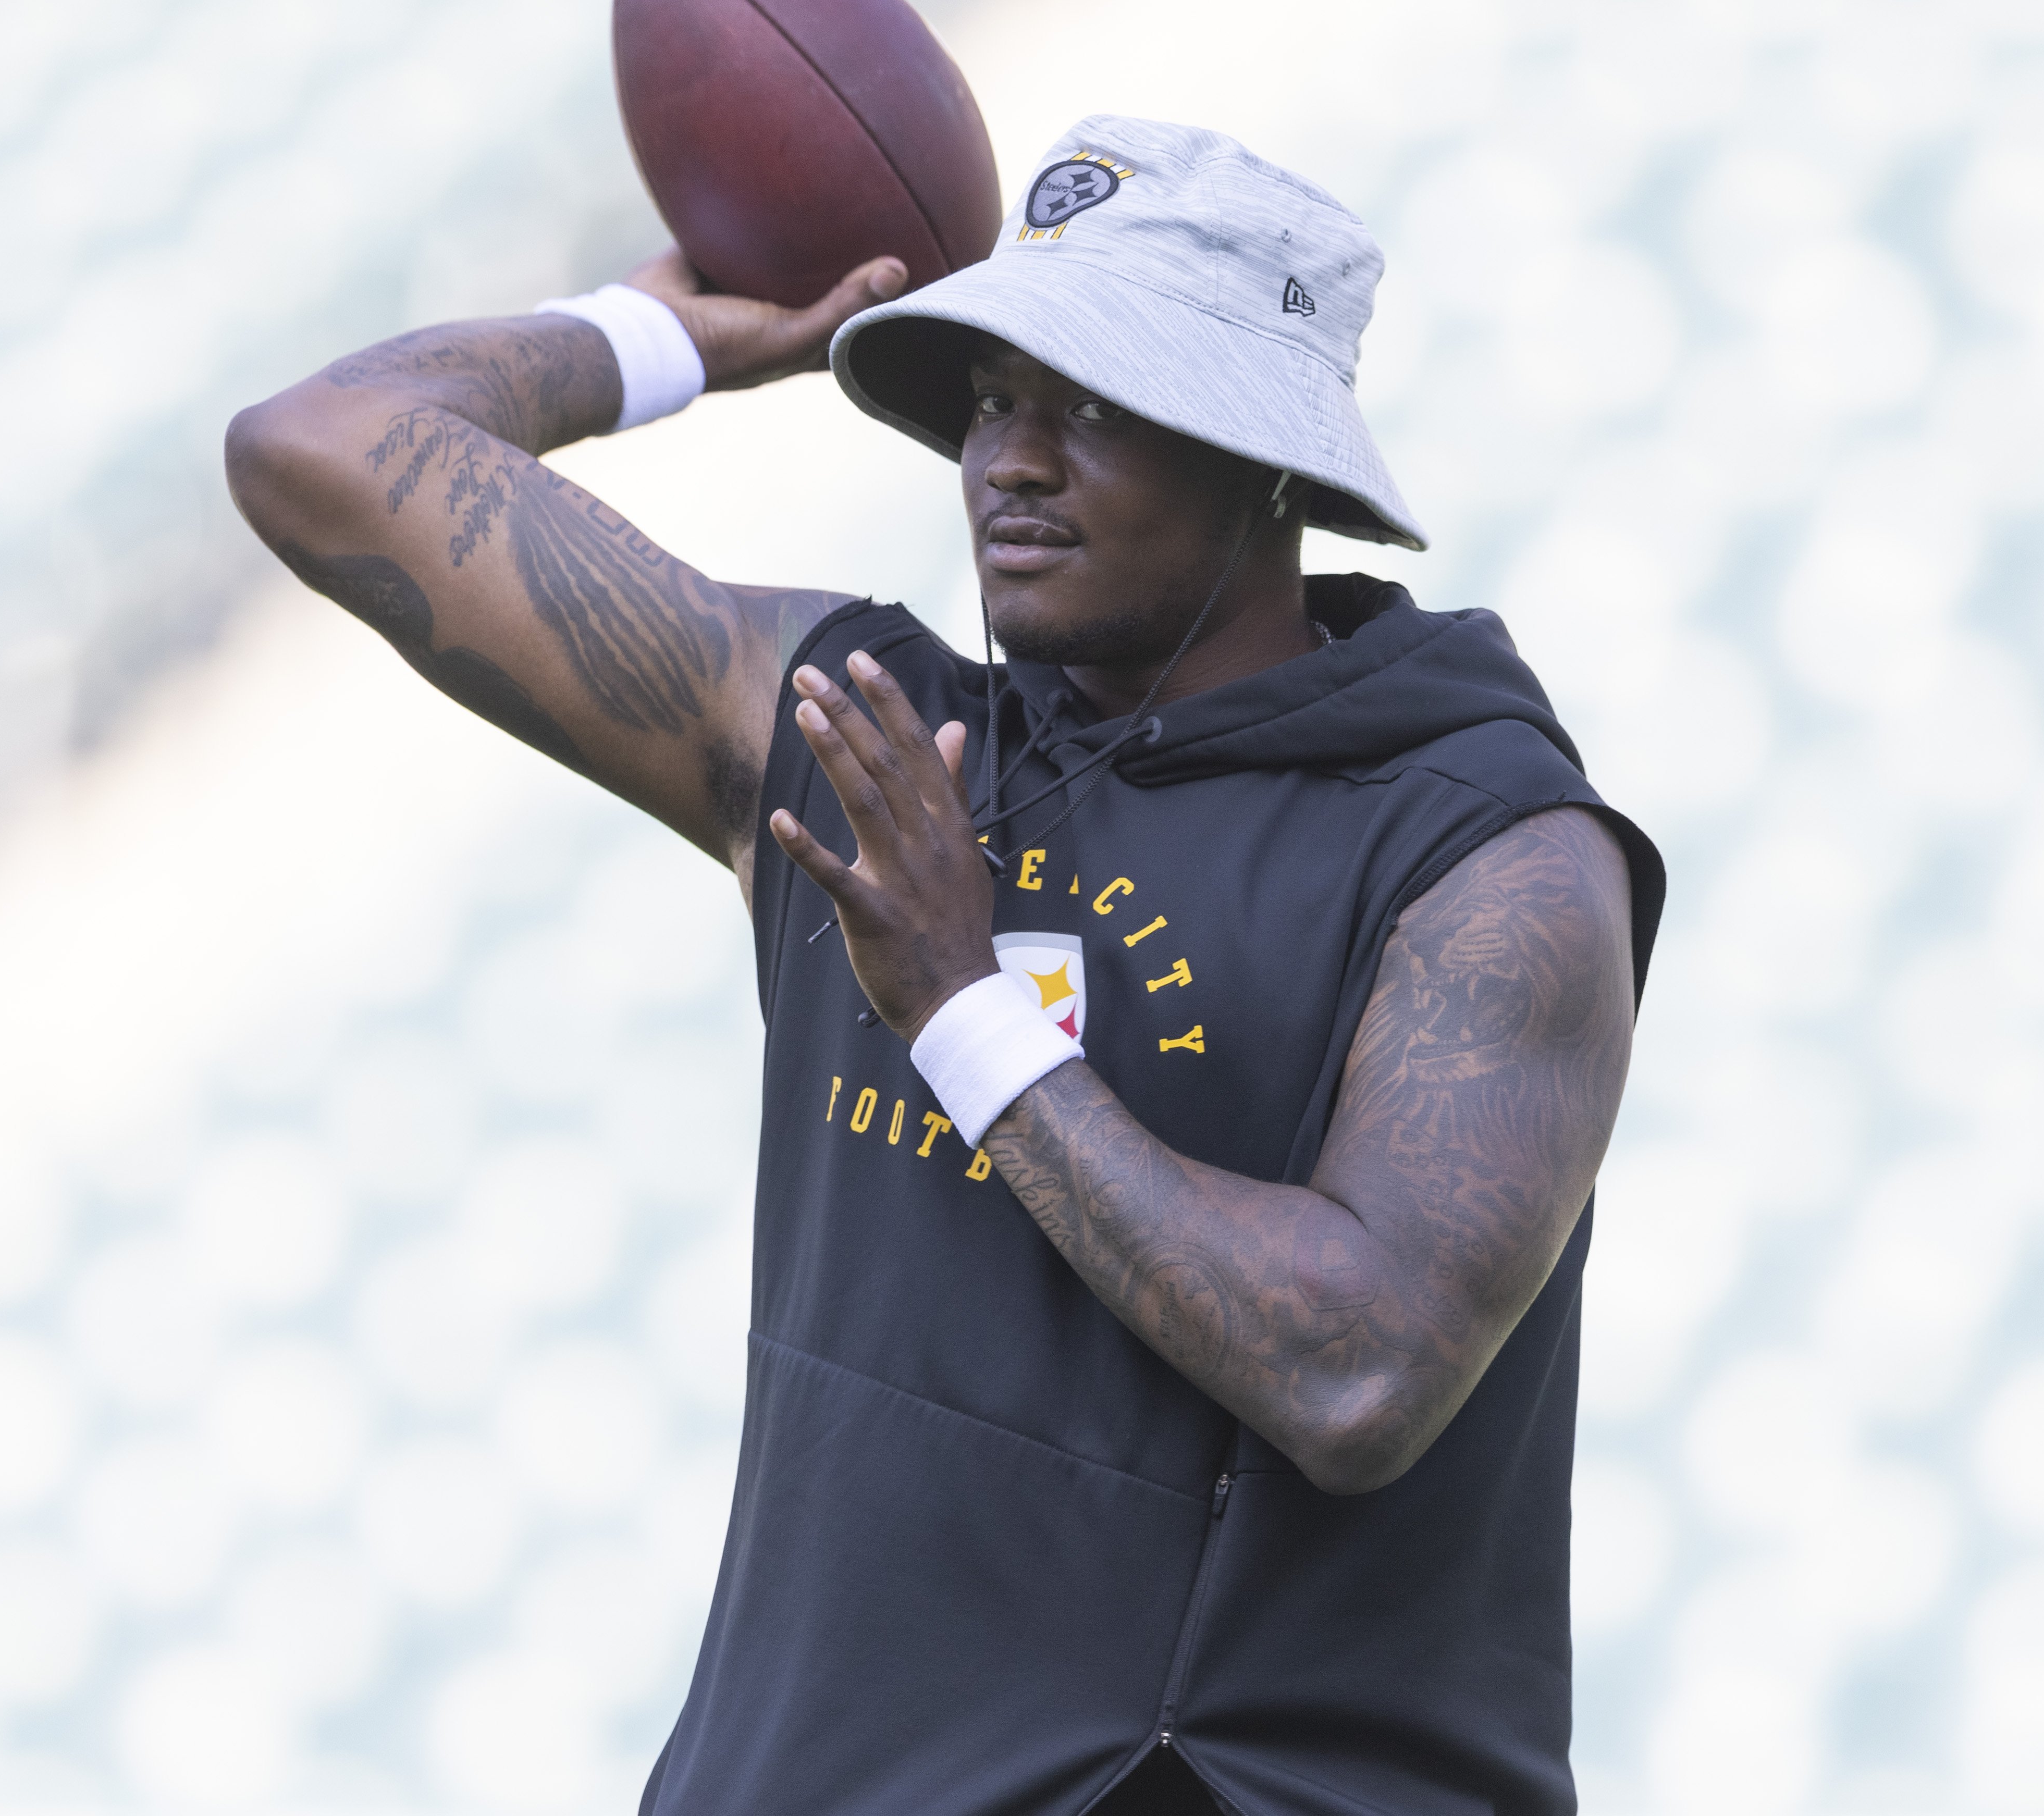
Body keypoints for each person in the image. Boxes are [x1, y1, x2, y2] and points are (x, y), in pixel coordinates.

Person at [225, 115, 1665, 1816]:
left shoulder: (1491, 852)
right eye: (990, 397)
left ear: (1267, 456)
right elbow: (317, 447)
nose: (1011, 461)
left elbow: (1355, 1372)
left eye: (1094, 406)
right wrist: (668, 336)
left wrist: (967, 1015)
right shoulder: (861, 727)